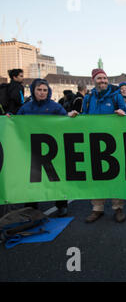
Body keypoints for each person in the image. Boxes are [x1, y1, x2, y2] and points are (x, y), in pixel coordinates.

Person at [17, 78, 78, 216]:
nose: (42, 93)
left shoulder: (55, 107)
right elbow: (16, 123)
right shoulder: (26, 108)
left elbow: (64, 121)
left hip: (52, 150)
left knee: (55, 179)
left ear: (48, 91)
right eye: (39, 90)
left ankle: (61, 205)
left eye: (45, 90)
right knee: (32, 180)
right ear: (33, 90)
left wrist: (69, 116)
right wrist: (9, 119)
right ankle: (30, 208)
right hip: (31, 150)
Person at [83, 68, 126, 223]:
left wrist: (123, 113)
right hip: (94, 141)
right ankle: (97, 208)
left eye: (104, 78)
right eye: (99, 78)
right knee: (96, 176)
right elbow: (84, 118)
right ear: (93, 80)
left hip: (114, 142)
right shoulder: (88, 98)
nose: (102, 81)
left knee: (115, 175)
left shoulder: (116, 96)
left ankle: (118, 208)